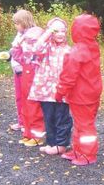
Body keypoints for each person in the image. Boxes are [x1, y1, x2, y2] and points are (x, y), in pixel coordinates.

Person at [55, 13, 103, 166]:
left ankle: (88, 154)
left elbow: (69, 75)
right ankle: (78, 150)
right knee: (82, 122)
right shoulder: (92, 46)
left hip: (81, 94)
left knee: (85, 125)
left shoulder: (76, 51)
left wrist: (60, 91)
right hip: (92, 91)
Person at [29, 18, 73, 155]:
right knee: (48, 117)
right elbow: (35, 49)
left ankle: (62, 144)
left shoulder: (68, 50)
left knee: (62, 118)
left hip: (62, 92)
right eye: (56, 31)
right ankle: (51, 142)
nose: (60, 34)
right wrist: (48, 33)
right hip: (45, 91)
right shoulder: (46, 48)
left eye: (63, 31)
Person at [6, 9, 35, 131]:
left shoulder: (31, 36)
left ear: (24, 22)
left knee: (27, 98)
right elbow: (14, 49)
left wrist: (14, 53)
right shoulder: (19, 34)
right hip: (17, 70)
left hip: (26, 72)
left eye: (17, 23)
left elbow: (27, 56)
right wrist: (9, 55)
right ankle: (21, 121)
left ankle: (29, 123)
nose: (15, 26)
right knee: (19, 97)